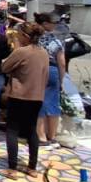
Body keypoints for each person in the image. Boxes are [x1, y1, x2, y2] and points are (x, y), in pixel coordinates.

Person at [1, 22, 49, 178]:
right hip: (37, 96)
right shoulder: (43, 52)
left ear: (25, 36)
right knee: (31, 131)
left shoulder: (21, 52)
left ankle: (12, 168)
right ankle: (32, 167)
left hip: (19, 95)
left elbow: (5, 67)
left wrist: (15, 47)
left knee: (12, 130)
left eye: (19, 34)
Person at [34, 12, 66, 145]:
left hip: (37, 70)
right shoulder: (55, 41)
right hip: (52, 70)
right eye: (52, 22)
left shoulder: (35, 40)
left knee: (38, 102)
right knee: (53, 102)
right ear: (45, 24)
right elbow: (62, 63)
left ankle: (41, 136)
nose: (54, 25)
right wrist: (61, 79)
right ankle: (51, 135)